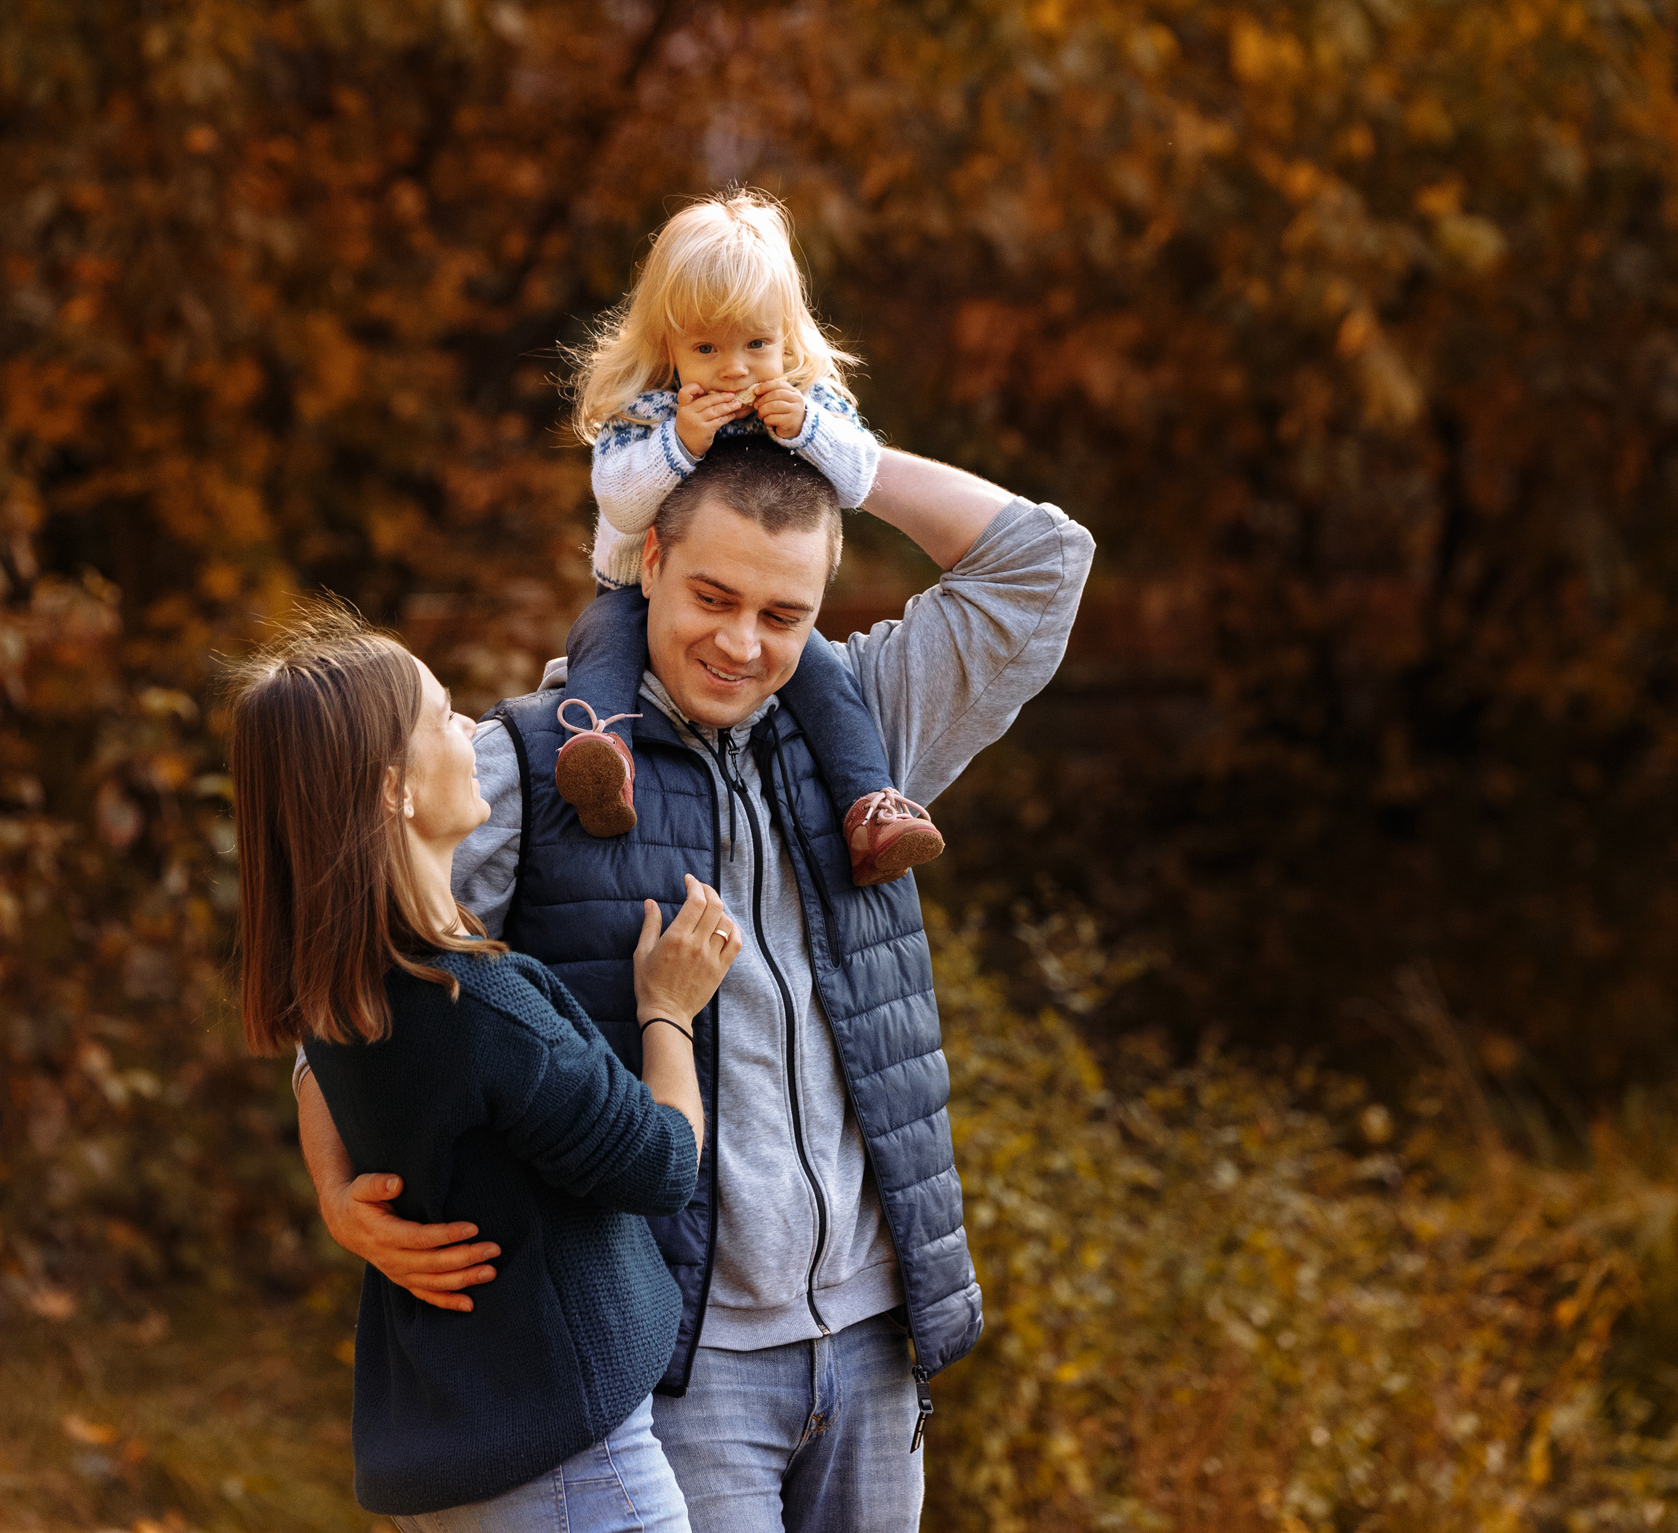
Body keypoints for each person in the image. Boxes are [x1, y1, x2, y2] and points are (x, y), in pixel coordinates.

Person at [298, 436, 1095, 1532]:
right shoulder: (535, 763)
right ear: (650, 559)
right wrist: (341, 1188)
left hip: (871, 1340)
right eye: (712, 596)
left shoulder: (867, 723)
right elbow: (352, 984)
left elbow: (1041, 564)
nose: (739, 644)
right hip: (680, 1359)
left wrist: (837, 445)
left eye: (784, 616)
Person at [228, 609, 743, 1529]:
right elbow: (665, 1165)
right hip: (576, 1472)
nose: (473, 730)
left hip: (455, 1460)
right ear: (396, 792)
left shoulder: (338, 993)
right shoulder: (482, 1010)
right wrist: (669, 1009)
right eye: (442, 716)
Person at [556, 187, 944, 887]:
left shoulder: (807, 399)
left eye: (757, 344)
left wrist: (807, 430)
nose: (735, 368)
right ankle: (602, 754)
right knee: (600, 641)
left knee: (825, 679)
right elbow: (618, 497)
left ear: (786, 337)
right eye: (708, 347)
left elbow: (859, 480)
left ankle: (871, 808)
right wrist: (680, 441)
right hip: (637, 592)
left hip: (759, 598)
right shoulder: (647, 414)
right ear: (668, 346)